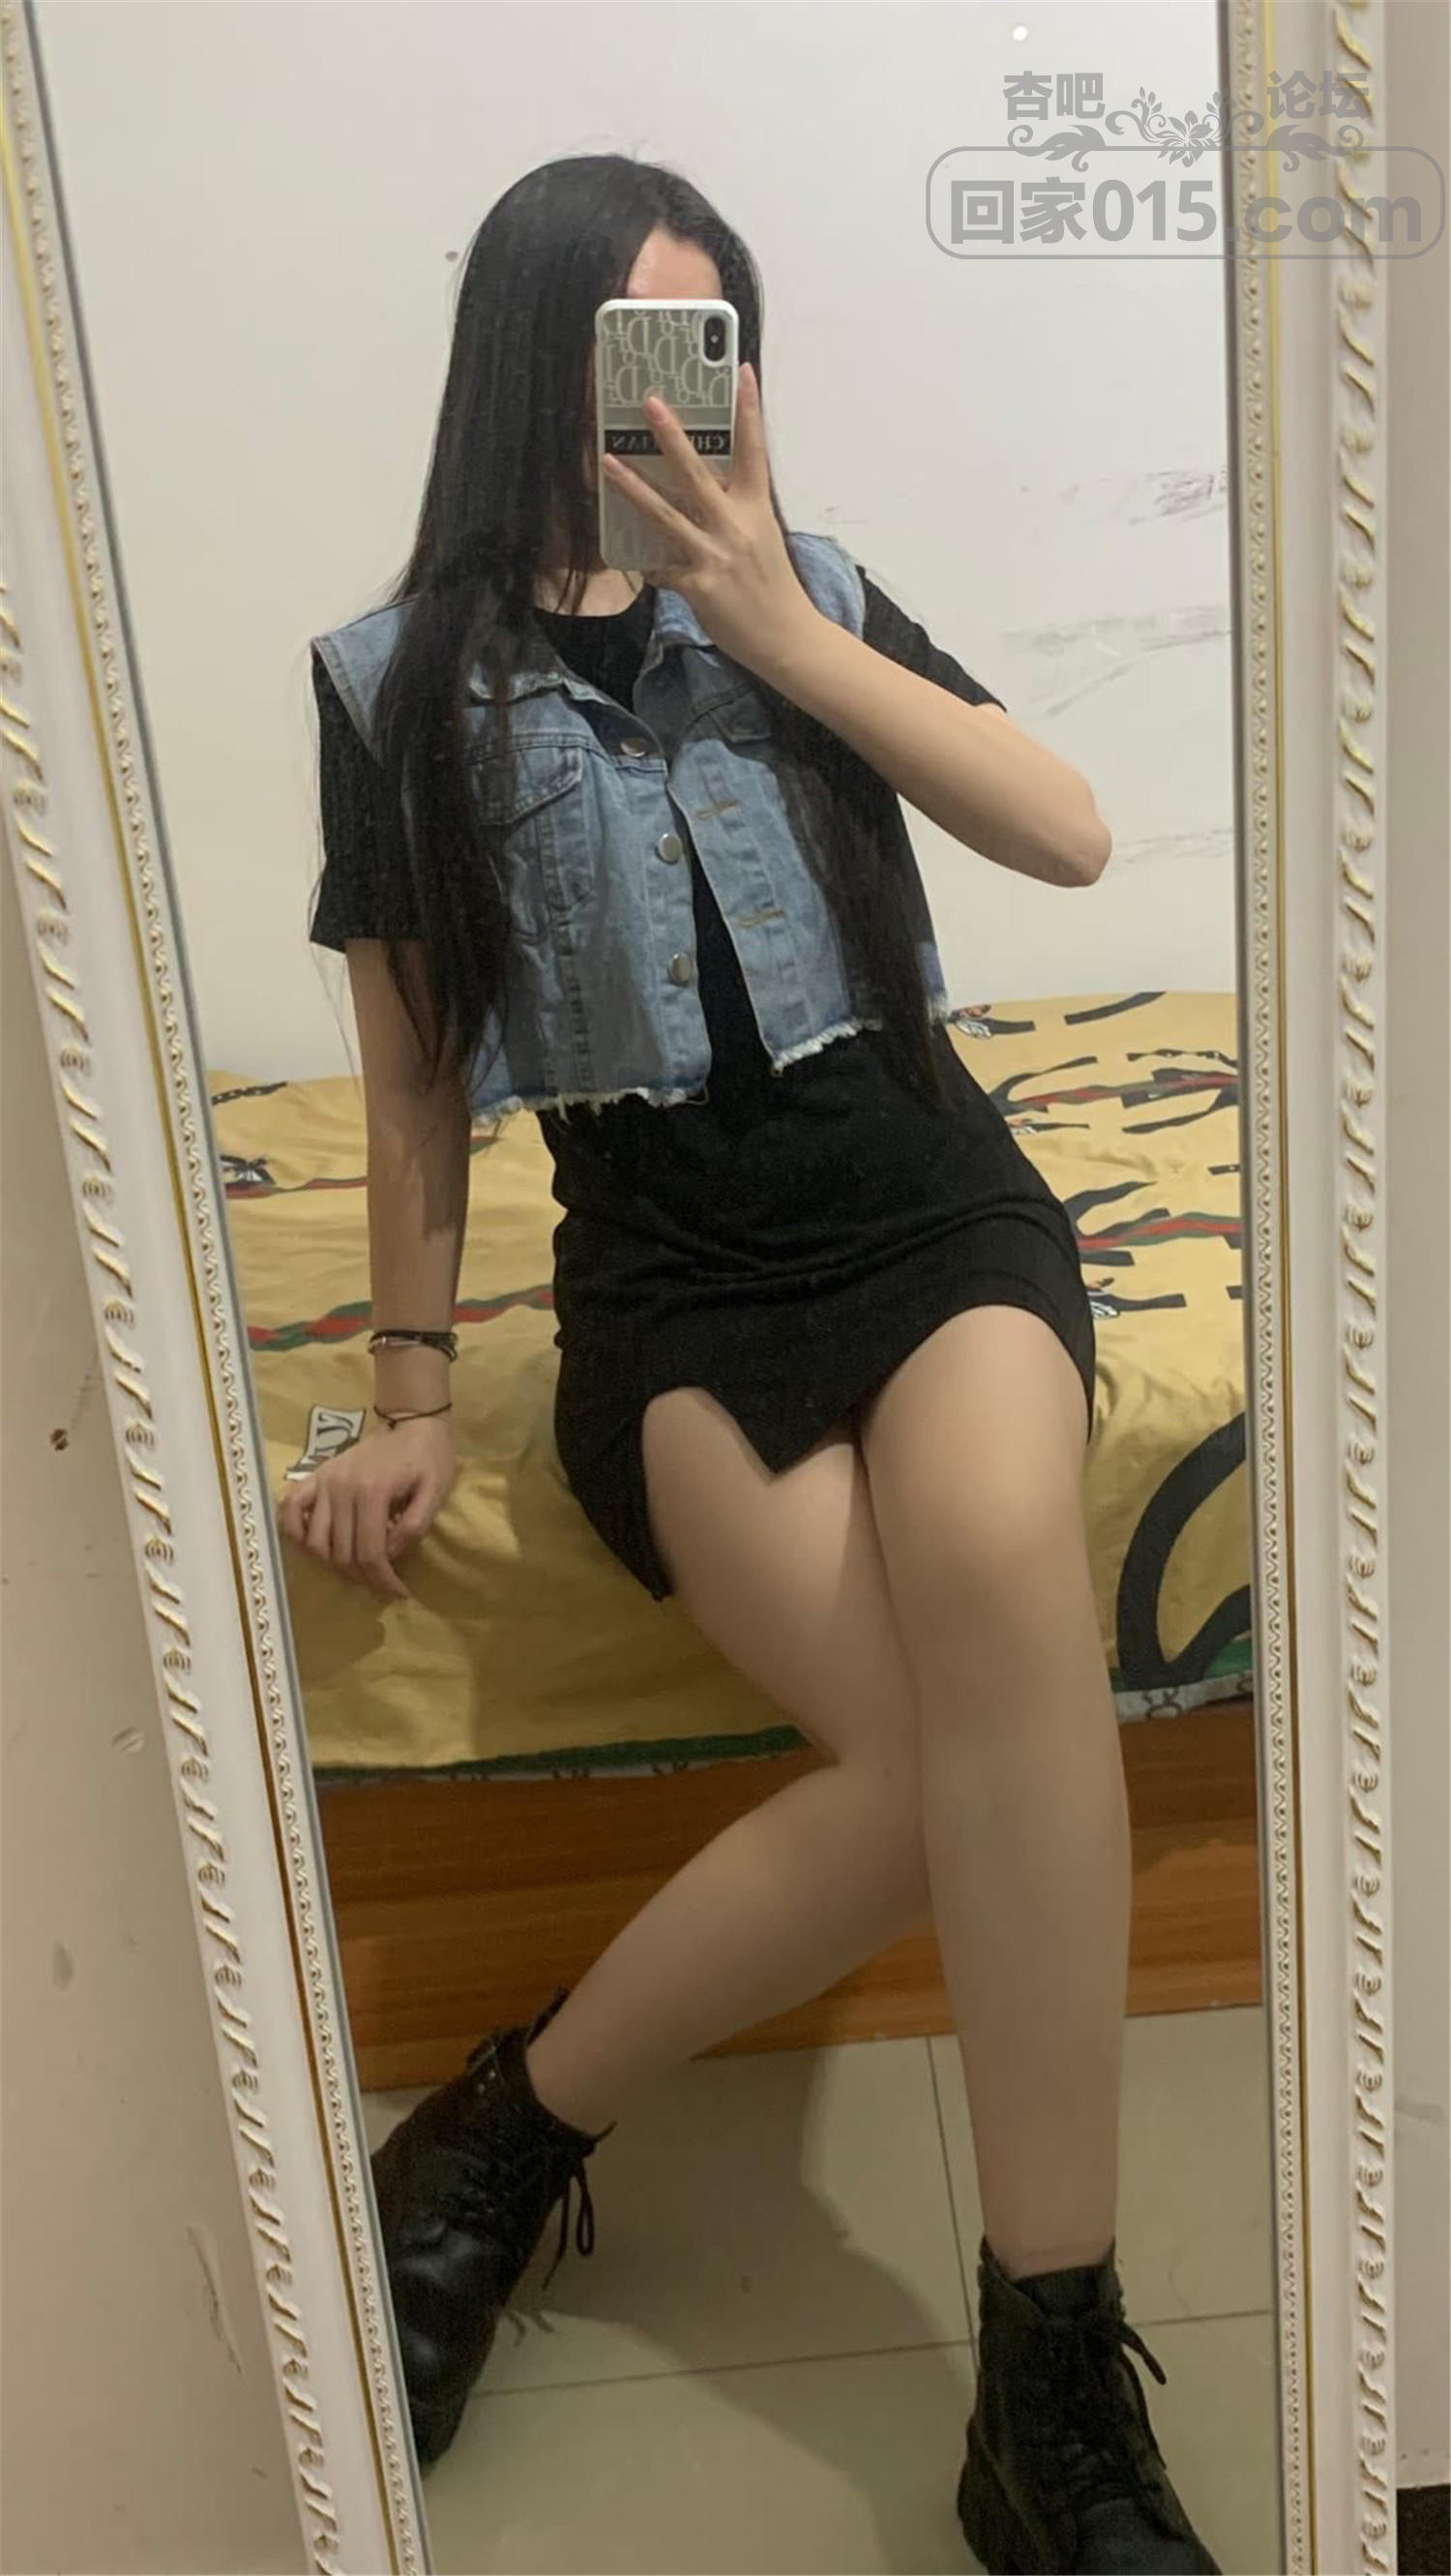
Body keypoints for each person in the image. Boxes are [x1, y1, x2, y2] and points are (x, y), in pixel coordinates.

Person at [281, 153, 1219, 2576]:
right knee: (927, 1779)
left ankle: (1048, 2367)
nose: (685, 411)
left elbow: (1067, 836)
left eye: (719, 352)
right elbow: (413, 1086)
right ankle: (514, 2129)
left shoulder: (821, 595)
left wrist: (775, 613)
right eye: (638, 356)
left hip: (929, 1204)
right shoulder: (391, 687)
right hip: (675, 1280)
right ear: (534, 367)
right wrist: (402, 1402)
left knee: (1003, 1578)